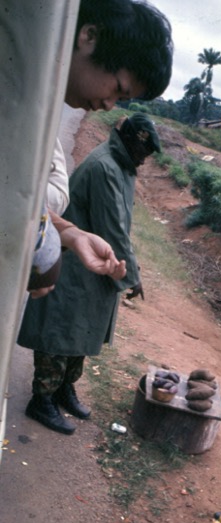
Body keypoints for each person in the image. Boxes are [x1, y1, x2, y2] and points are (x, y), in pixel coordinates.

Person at [17, 113, 161, 435]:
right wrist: (133, 276)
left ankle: (63, 390)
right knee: (60, 332)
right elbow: (115, 231)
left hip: (92, 264)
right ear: (131, 142)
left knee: (81, 333)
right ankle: (42, 400)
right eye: (144, 152)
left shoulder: (122, 166)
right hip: (74, 266)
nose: (145, 159)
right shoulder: (105, 167)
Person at [30, 0, 173, 295]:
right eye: (118, 89)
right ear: (89, 36)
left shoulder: (39, 112)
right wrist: (44, 252)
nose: (109, 104)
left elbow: (28, 203)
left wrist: (70, 234)